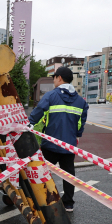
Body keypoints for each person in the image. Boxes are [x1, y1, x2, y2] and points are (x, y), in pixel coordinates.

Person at [28, 66, 88, 213]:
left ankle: (43, 199)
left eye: (54, 77)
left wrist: (28, 125)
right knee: (68, 174)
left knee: (43, 172)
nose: (54, 80)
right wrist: (77, 135)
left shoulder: (51, 96)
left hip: (50, 144)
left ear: (59, 78)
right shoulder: (81, 101)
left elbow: (39, 111)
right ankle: (68, 203)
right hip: (69, 145)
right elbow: (81, 122)